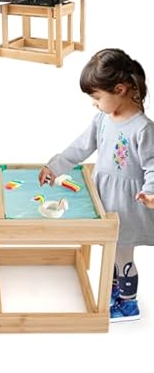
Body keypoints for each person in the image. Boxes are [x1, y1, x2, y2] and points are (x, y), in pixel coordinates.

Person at [39, 48, 154, 322]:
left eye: (97, 97)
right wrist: (54, 167)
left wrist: (150, 192)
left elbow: (153, 165)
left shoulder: (143, 129)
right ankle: (114, 289)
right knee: (111, 250)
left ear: (120, 89)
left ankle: (129, 304)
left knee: (122, 254)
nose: (94, 103)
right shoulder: (103, 118)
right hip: (105, 196)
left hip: (127, 205)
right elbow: (80, 147)